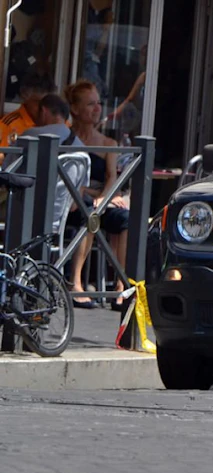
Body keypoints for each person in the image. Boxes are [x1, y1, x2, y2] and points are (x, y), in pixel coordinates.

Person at [21, 94, 95, 308]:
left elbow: (8, 174)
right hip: (58, 220)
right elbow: (75, 202)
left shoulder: (30, 136)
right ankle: (71, 280)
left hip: (25, 216)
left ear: (44, 111)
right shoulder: (81, 148)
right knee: (88, 212)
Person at [65, 80, 130, 310]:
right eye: (90, 104)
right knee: (89, 213)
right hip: (71, 204)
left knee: (125, 218)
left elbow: (112, 177)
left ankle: (122, 286)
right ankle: (76, 282)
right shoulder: (68, 138)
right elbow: (71, 179)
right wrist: (94, 195)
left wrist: (103, 197)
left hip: (98, 202)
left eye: (99, 103)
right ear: (74, 109)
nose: (97, 109)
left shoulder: (107, 143)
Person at [0, 71, 55, 146]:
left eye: (48, 103)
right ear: (24, 95)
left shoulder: (60, 123)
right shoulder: (8, 125)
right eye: (38, 103)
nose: (44, 110)